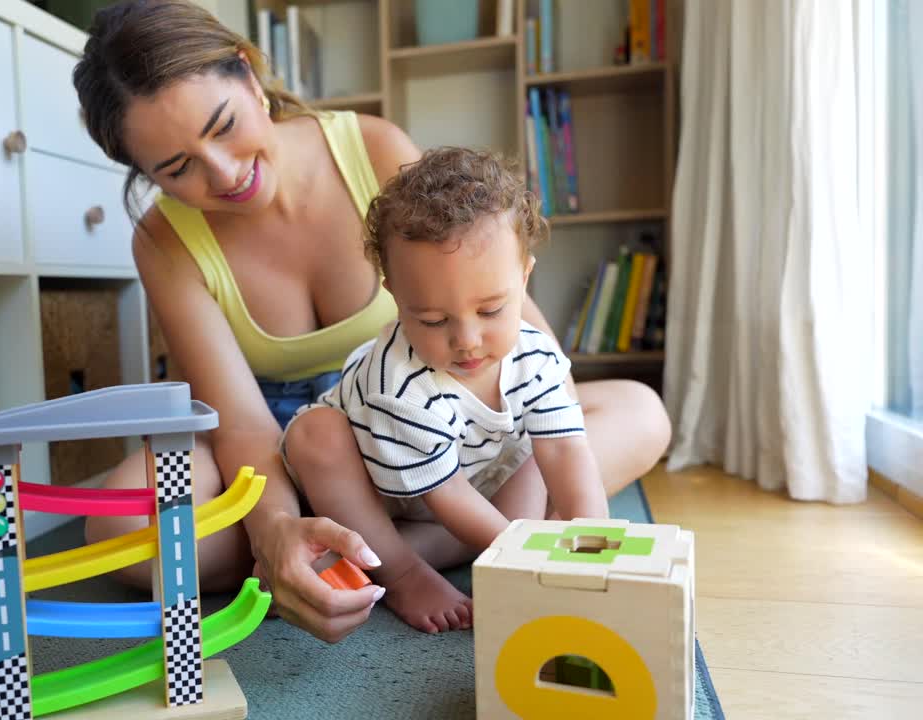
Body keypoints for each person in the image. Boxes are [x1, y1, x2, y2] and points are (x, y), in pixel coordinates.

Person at [71, 0, 670, 643]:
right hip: (289, 448)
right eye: (178, 168)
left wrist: (545, 437)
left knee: (640, 411)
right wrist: (274, 527)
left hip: (448, 416)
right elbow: (242, 425)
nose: (224, 172)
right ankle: (360, 543)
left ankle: (391, 550)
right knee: (122, 529)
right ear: (146, 173)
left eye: (224, 126)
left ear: (248, 74)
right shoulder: (164, 241)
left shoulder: (371, 148)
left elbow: (513, 324)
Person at [281, 147, 609, 633]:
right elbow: (446, 493)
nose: (467, 341)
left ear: (524, 277)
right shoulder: (399, 383)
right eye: (433, 320)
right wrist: (524, 552)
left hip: (462, 481)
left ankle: (500, 555)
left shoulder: (535, 356)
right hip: (371, 492)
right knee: (315, 433)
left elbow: (564, 450)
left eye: (491, 311)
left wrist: (596, 542)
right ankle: (403, 572)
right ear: (396, 295)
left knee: (540, 446)